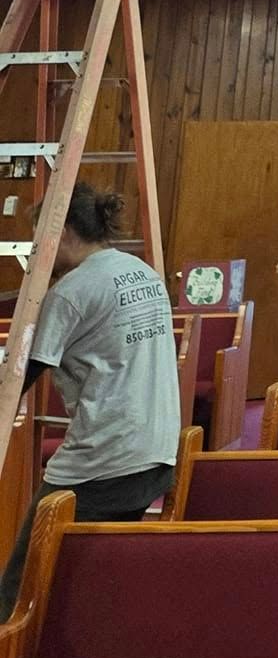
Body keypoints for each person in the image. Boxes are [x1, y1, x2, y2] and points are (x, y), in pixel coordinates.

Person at [0, 185, 179, 619]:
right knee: (93, 580)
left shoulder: (72, 292)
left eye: (40, 236)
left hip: (104, 459)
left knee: (18, 591)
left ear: (62, 232)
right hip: (156, 451)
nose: (37, 248)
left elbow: (18, 378)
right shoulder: (140, 270)